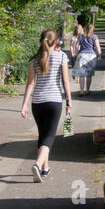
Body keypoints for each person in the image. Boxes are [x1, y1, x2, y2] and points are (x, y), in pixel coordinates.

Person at [20, 29, 72, 181]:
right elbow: (65, 81)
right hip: (54, 101)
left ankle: (44, 168)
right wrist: (69, 100)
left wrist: (24, 105)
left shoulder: (34, 60)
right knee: (49, 136)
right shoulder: (61, 56)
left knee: (43, 135)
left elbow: (30, 83)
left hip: (37, 102)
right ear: (56, 42)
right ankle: (37, 164)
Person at [74, 12, 101, 95]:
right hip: (91, 56)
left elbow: (76, 45)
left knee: (81, 74)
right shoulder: (94, 37)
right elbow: (97, 47)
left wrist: (77, 52)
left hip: (82, 55)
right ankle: (87, 90)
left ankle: (81, 91)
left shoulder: (81, 36)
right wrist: (99, 55)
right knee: (88, 74)